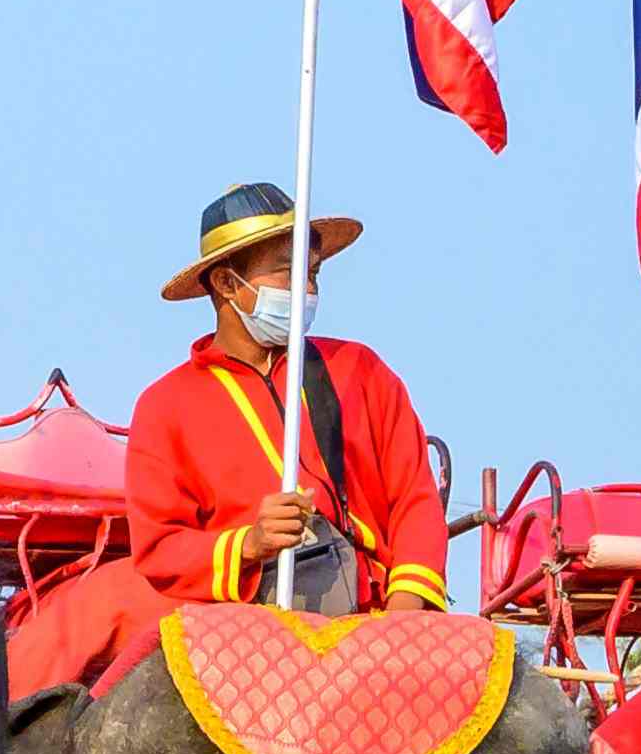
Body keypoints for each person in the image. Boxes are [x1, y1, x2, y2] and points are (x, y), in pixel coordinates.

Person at [122, 183, 451, 615]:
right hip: (241, 629)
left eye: (312, 273)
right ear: (226, 282)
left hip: (377, 615)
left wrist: (402, 621)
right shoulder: (164, 406)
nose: (308, 289)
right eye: (288, 272)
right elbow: (160, 548)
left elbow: (415, 500)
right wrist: (249, 543)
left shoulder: (361, 370)